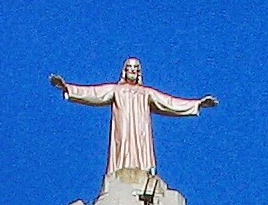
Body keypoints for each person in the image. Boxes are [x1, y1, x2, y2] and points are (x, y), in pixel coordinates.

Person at [50, 58, 217, 177]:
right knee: (123, 143)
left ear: (139, 72)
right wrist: (68, 88)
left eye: (136, 68)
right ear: (124, 71)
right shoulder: (116, 89)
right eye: (129, 67)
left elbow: (169, 102)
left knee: (141, 145)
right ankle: (121, 171)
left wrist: (197, 104)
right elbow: (93, 93)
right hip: (123, 126)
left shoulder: (146, 93)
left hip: (141, 128)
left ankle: (145, 172)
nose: (132, 70)